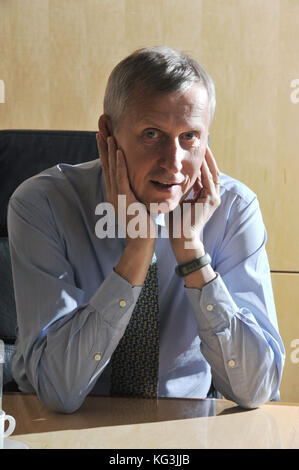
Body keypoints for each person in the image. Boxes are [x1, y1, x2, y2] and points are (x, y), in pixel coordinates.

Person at [8, 46, 285, 414]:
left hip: (183, 427)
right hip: (68, 428)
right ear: (108, 133)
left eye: (190, 137)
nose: (174, 163)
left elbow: (257, 389)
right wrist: (138, 251)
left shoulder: (234, 210)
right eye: (152, 134)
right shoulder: (42, 204)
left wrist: (191, 253)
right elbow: (58, 390)